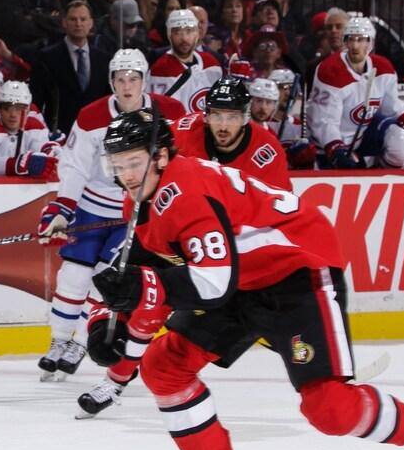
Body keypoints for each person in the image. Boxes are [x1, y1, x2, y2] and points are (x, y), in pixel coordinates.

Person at [89, 109, 404, 450]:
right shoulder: (142, 197)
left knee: (329, 409)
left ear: (160, 156)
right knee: (165, 365)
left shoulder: (186, 192)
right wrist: (107, 323)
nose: (126, 175)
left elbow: (210, 284)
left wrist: (143, 289)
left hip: (296, 273)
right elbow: (139, 269)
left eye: (134, 162)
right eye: (118, 165)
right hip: (241, 280)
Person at [75, 78, 292, 417]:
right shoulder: (181, 133)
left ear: (246, 117)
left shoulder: (267, 151)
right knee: (137, 289)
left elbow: (277, 212)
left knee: (262, 314)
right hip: (178, 230)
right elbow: (145, 162)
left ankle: (306, 350)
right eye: (216, 115)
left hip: (232, 248)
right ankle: (115, 380)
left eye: (232, 116)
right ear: (205, 115)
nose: (223, 125)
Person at [36, 48, 185, 385]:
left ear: (144, 80)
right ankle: (59, 340)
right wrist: (62, 208)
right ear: (111, 82)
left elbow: (181, 157)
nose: (127, 86)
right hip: (92, 205)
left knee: (105, 277)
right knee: (73, 276)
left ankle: (79, 343)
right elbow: (74, 165)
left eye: (133, 78)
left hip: (135, 210)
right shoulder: (92, 116)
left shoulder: (170, 112)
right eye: (120, 79)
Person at [307, 16, 404, 170]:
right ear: (345, 42)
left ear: (371, 43)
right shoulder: (330, 70)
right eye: (351, 39)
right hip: (332, 141)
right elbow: (324, 120)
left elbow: (392, 107)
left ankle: (381, 174)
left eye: (361, 40)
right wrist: (335, 147)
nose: (355, 46)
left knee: (403, 142)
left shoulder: (384, 68)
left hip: (365, 135)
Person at [31, 0, 112, 135]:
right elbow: (36, 102)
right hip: (59, 134)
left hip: (95, 133)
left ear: (91, 23)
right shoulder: (46, 58)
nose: (78, 24)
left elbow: (108, 100)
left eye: (83, 19)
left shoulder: (104, 59)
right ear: (64, 23)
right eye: (73, 19)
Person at [148, 9, 223, 113]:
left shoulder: (211, 63)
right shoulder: (160, 70)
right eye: (177, 32)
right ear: (170, 35)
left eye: (189, 31)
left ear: (196, 34)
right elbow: (160, 114)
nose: (184, 38)